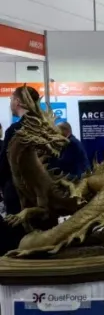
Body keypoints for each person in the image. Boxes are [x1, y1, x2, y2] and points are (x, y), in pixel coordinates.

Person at [0, 86, 40, 252]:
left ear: (17, 101)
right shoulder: (44, 127)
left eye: (11, 99)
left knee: (17, 237)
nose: (10, 102)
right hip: (41, 191)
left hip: (18, 192)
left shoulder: (15, 130)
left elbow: (4, 164)